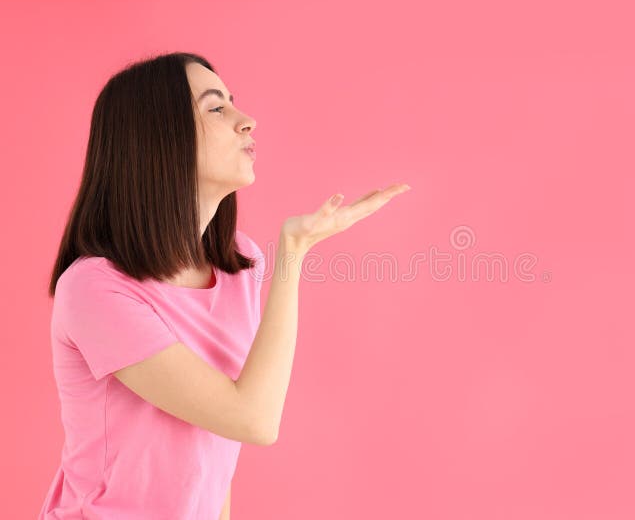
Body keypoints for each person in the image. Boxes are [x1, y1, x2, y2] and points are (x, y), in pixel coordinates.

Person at [38, 51, 411, 520]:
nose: (247, 121)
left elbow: (214, 457)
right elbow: (253, 419)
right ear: (160, 139)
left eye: (234, 103)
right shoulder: (95, 289)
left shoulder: (240, 266)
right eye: (217, 108)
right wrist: (294, 250)